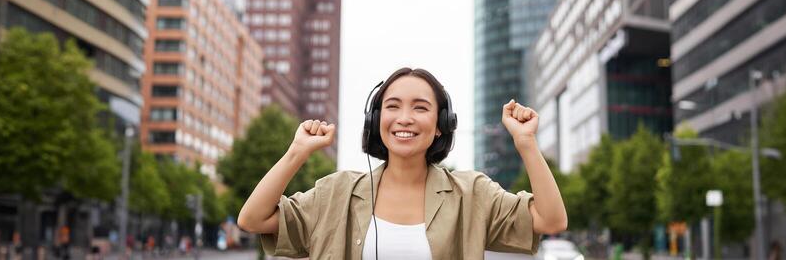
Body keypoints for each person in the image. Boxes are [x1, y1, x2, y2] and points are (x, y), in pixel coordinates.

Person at [238, 67, 568, 259]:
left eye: (420, 108)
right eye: (393, 107)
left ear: (441, 124)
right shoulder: (335, 193)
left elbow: (550, 221)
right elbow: (253, 219)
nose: (404, 119)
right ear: (375, 122)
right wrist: (297, 152)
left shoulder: (472, 194)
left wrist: (526, 143)